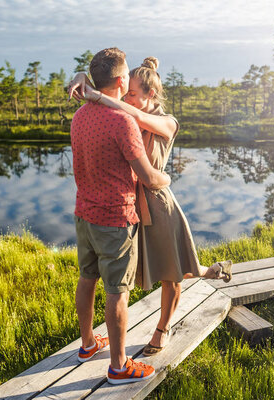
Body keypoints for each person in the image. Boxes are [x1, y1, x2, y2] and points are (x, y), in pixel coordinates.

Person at [69, 57, 232, 357]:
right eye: (126, 92)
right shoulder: (127, 112)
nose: (126, 98)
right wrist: (84, 76)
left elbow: (131, 112)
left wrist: (96, 95)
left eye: (133, 94)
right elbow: (110, 78)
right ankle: (211, 271)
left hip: (157, 204)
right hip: (129, 205)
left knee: (174, 272)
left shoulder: (166, 122)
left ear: (150, 95)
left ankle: (163, 328)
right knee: (135, 275)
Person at [70, 48, 171, 385]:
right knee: (117, 292)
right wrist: (166, 178)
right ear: (119, 80)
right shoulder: (122, 121)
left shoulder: (81, 115)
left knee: (88, 278)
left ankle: (87, 345)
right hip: (115, 220)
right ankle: (118, 366)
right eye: (127, 74)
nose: (130, 79)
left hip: (84, 213)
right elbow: (148, 177)